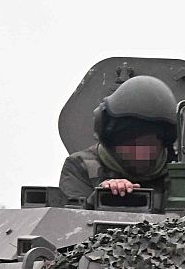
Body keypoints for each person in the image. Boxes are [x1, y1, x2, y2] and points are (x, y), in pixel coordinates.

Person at [59, 75, 178, 207]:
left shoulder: (182, 173)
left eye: (149, 144)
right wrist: (103, 196)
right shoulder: (81, 167)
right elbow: (72, 222)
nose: (140, 153)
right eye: (131, 145)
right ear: (112, 141)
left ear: (164, 143)